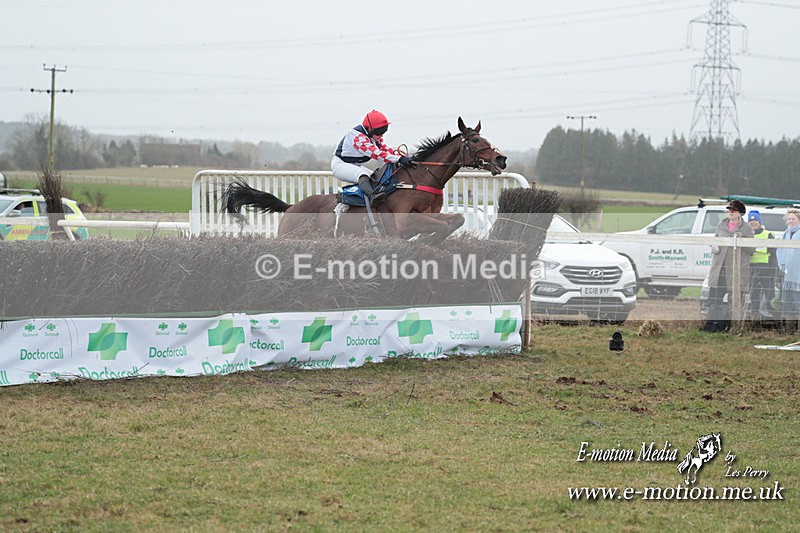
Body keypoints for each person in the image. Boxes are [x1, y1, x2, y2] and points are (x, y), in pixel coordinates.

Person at [331, 110, 414, 204]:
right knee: (362, 174)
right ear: (370, 129)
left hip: (354, 165)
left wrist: (403, 157)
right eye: (379, 132)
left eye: (383, 131)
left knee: (375, 178)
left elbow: (386, 150)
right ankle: (373, 196)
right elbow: (377, 154)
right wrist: (398, 159)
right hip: (340, 165)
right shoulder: (357, 137)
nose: (381, 135)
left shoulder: (374, 136)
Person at [702, 200, 755, 332]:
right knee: (714, 299)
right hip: (720, 269)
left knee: (735, 301)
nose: (730, 212)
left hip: (736, 271)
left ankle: (732, 327)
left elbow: (751, 250)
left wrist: (739, 241)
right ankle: (711, 326)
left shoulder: (747, 228)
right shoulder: (721, 224)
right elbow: (715, 240)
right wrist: (714, 247)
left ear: (740, 213)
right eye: (729, 209)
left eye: (733, 210)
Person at [747, 210, 777, 319]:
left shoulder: (767, 234)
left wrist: (773, 268)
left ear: (759, 222)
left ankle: (772, 313)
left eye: (755, 220)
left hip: (765, 267)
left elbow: (773, 253)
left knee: (769, 292)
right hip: (751, 267)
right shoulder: (747, 235)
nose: (753, 222)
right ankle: (754, 314)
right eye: (751, 220)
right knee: (754, 292)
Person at [777, 208, 800, 329]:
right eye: (789, 219)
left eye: (794, 219)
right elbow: (780, 250)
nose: (791, 221)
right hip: (787, 275)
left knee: (798, 303)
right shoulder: (786, 233)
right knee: (788, 303)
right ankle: (789, 330)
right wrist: (782, 264)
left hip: (798, 275)